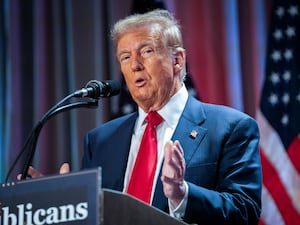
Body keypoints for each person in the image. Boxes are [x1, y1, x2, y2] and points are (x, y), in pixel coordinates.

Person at [26, 9, 262, 224]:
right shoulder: (100, 141)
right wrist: (61, 203)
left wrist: (182, 193)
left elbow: (245, 211)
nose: (135, 65)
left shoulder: (231, 128)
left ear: (177, 60)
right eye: (125, 57)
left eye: (147, 51)